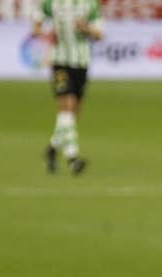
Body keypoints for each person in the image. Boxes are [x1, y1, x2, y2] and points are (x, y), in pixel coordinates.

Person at [31, 0, 103, 176]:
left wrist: (85, 28)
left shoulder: (90, 5)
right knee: (67, 105)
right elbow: (35, 27)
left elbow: (99, 34)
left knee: (74, 112)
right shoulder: (52, 4)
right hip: (60, 62)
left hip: (81, 62)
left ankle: (53, 147)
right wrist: (47, 33)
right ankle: (73, 158)